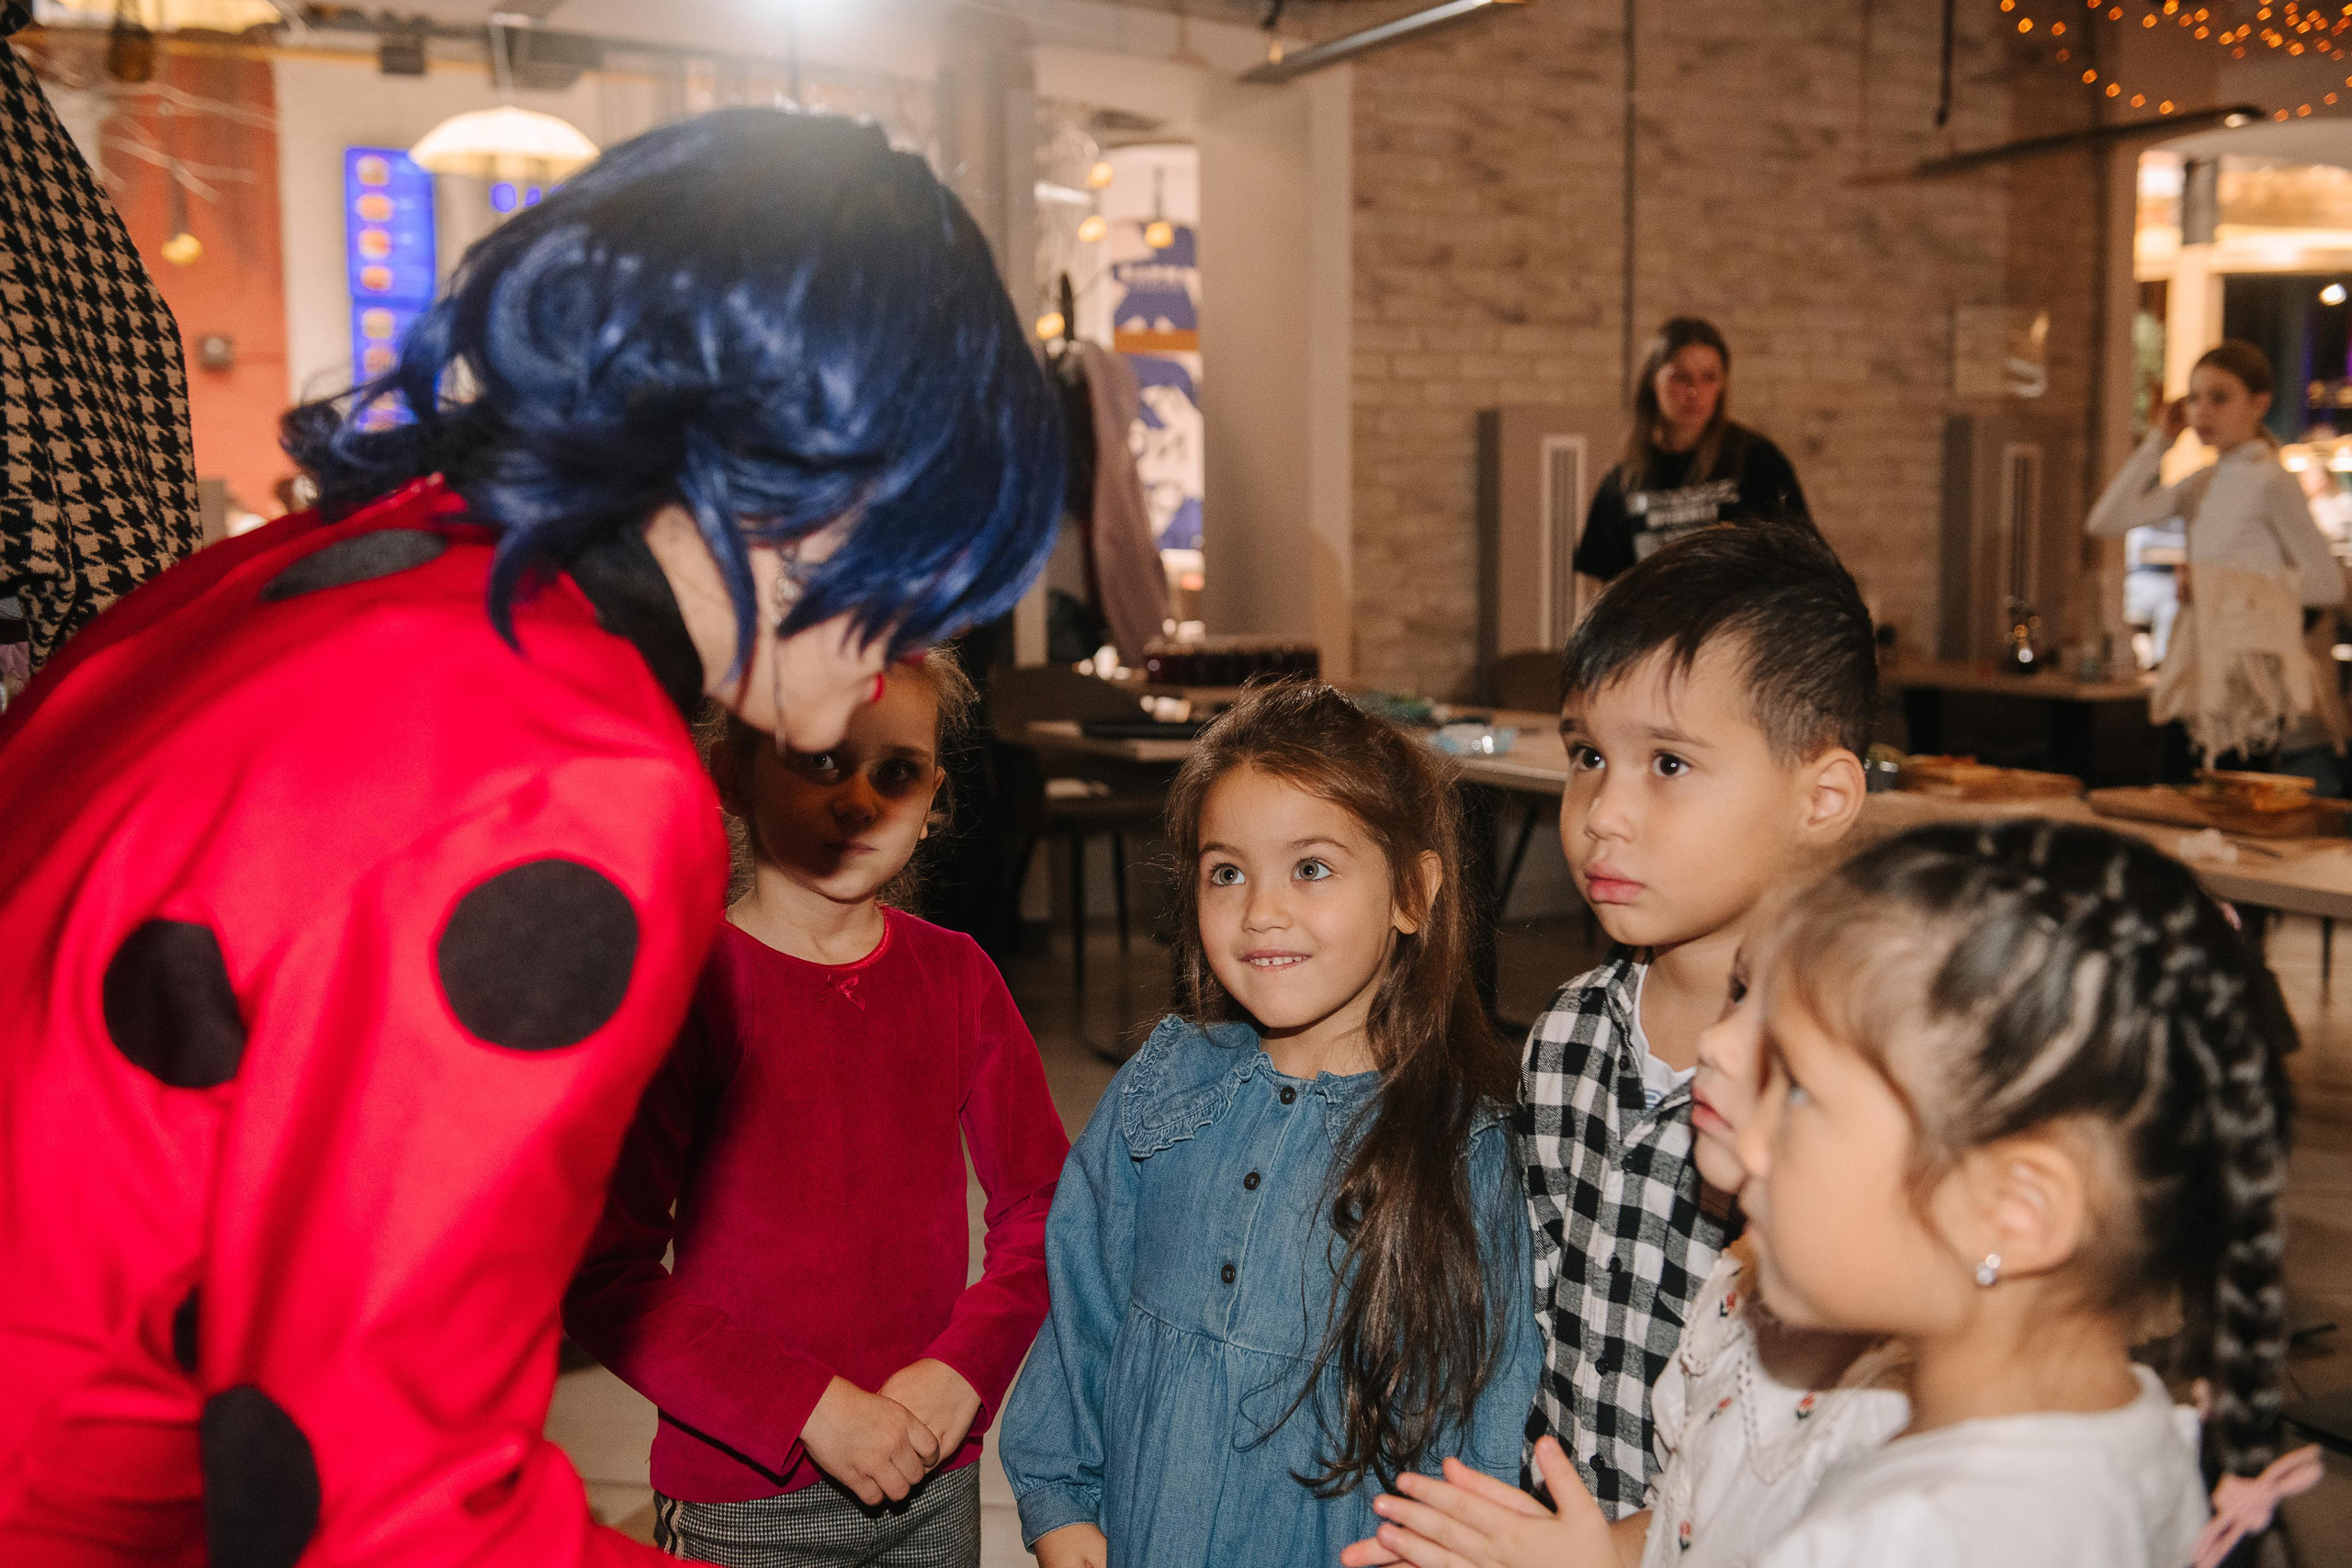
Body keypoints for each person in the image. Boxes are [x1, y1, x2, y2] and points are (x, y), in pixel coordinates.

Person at [0, 108, 1061, 1567]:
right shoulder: (570, 777)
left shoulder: (331, 566)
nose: (914, 642)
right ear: (836, 477)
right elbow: (379, 1512)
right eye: (927, 569)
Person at [999, 680, 1541, 1568]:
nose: (1261, 911)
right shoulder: (1164, 1088)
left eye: (1312, 867)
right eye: (1227, 872)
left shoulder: (1463, 1144)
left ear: (1412, 890)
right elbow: (1081, 1308)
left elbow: (1488, 1408)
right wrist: (1061, 1511)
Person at [563, 650, 1067, 1567]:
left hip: (933, 1475)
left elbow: (1046, 1213)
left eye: (897, 771)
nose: (859, 800)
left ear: (933, 798)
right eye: (820, 759)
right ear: (733, 776)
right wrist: (806, 1411)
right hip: (740, 1506)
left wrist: (967, 1371)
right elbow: (601, 1274)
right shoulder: (684, 994)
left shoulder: (957, 978)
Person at [1734, 819, 2298, 1566]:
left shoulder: (1903, 1543)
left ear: (2015, 1209)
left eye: (1799, 1090)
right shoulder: (2135, 1429)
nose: (1750, 1141)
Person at [1342, 929, 1910, 1568]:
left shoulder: (1907, 1461)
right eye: (1738, 993)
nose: (1717, 1040)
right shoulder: (1730, 1296)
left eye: (1801, 1079)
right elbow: (1682, 1515)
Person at [1523, 522, 1874, 1517]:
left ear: (1823, 796)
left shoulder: (1848, 1088)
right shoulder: (1563, 1040)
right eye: (1586, 755)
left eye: (1667, 764)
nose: (1603, 814)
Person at [2087, 340, 2344, 770]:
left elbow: (2327, 582)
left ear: (2259, 403)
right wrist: (2159, 442)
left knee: (2226, 812)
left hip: (2250, 682)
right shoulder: (2204, 480)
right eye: (2194, 398)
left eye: (2219, 398)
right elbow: (2105, 522)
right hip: (2197, 668)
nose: (2202, 411)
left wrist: (2216, 584)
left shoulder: (2270, 479)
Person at [1572, 318, 1813, 584]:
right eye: (1680, 377)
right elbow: (1599, 581)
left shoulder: (1757, 459)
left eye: (1709, 378)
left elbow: (1802, 555)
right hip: (1656, 622)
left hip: (1736, 621)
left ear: (1722, 385)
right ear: (1653, 381)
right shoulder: (1625, 478)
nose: (1693, 391)